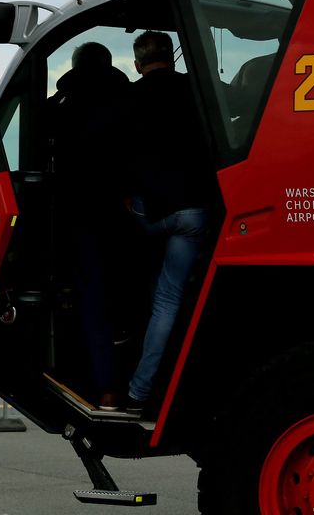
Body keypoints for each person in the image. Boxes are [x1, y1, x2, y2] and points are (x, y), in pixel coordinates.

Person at [122, 30, 215, 415]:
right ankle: (141, 392)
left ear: (139, 63)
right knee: (170, 300)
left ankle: (122, 369)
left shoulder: (130, 97)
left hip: (148, 214)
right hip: (193, 213)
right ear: (171, 58)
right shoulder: (198, 91)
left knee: (137, 277)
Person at [46, 42, 130, 410]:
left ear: (76, 66)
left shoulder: (61, 105)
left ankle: (104, 386)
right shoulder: (129, 102)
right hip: (130, 217)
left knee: (91, 301)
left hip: (80, 217)